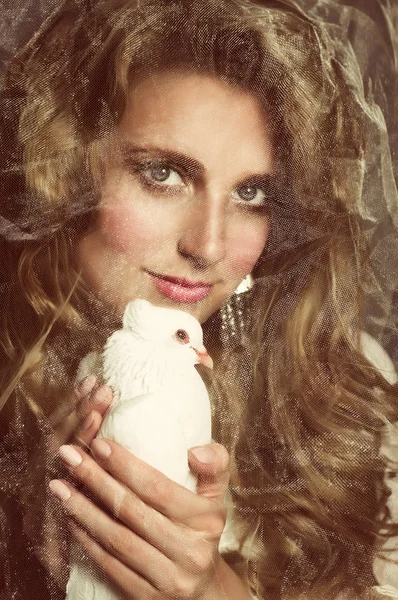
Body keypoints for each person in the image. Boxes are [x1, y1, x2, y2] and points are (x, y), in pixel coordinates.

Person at [0, 0, 397, 598]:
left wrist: (211, 588)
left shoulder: (341, 383)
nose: (209, 245)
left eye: (253, 193)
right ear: (67, 173)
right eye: (164, 174)